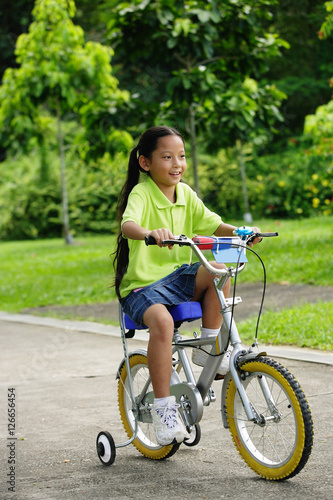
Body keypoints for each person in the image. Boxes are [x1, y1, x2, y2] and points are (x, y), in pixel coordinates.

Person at [112, 126, 262, 446]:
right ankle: (165, 411)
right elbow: (128, 225)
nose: (177, 163)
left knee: (219, 269)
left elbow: (214, 224)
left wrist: (242, 231)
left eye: (181, 156)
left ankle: (209, 348)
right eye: (167, 157)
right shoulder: (142, 193)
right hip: (141, 288)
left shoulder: (187, 194)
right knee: (163, 323)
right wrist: (151, 233)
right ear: (145, 163)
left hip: (177, 278)